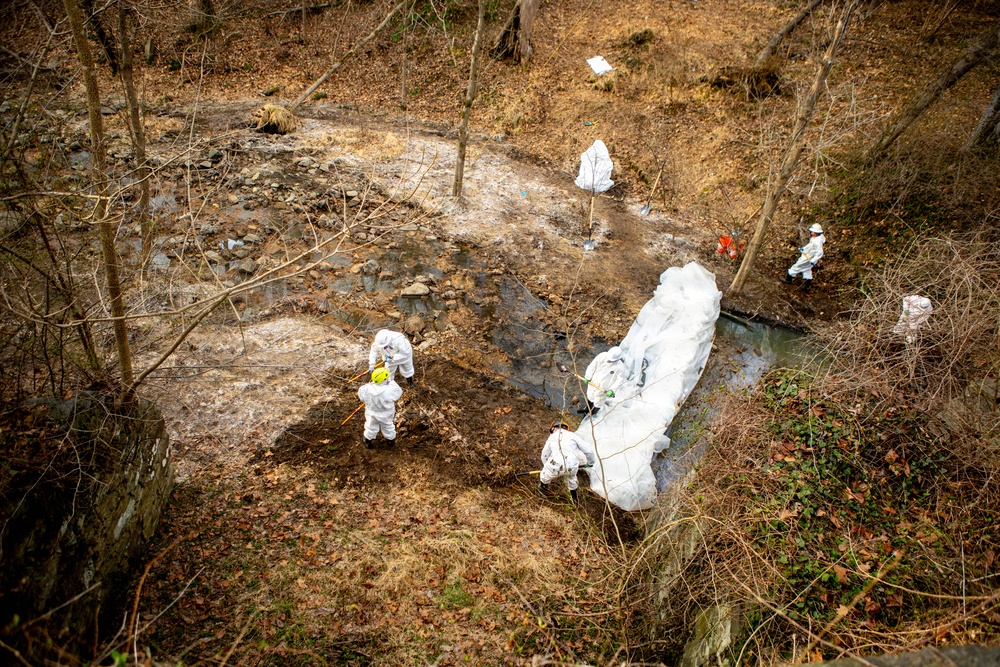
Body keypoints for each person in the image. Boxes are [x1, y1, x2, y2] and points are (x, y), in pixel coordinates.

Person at [538, 420, 597, 504]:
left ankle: (542, 491)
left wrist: (546, 466)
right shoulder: (573, 436)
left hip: (555, 465)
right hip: (571, 466)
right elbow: (589, 452)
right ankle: (574, 500)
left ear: (554, 428)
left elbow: (544, 455)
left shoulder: (552, 437)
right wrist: (590, 463)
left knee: (544, 476)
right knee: (571, 481)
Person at [357, 367, 403, 449]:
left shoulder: (367, 388)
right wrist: (391, 382)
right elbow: (398, 392)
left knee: (371, 425)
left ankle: (368, 440)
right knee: (388, 426)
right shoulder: (390, 390)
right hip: (386, 413)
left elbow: (361, 396)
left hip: (371, 412)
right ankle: (390, 440)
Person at [579, 346, 627, 414]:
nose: (609, 361)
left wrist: (612, 390)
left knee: (598, 403)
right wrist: (588, 376)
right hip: (594, 382)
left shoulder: (620, 367)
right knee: (590, 396)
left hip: (604, 388)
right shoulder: (602, 356)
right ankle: (587, 409)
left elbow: (620, 380)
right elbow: (592, 366)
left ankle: (593, 414)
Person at [780, 223, 826, 292]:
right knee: (807, 270)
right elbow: (810, 246)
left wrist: (813, 260)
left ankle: (788, 279)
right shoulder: (816, 238)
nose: (810, 233)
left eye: (812, 232)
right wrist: (804, 249)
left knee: (796, 267)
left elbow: (820, 253)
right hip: (808, 256)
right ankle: (807, 287)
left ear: (816, 232)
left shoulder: (818, 242)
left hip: (808, 258)